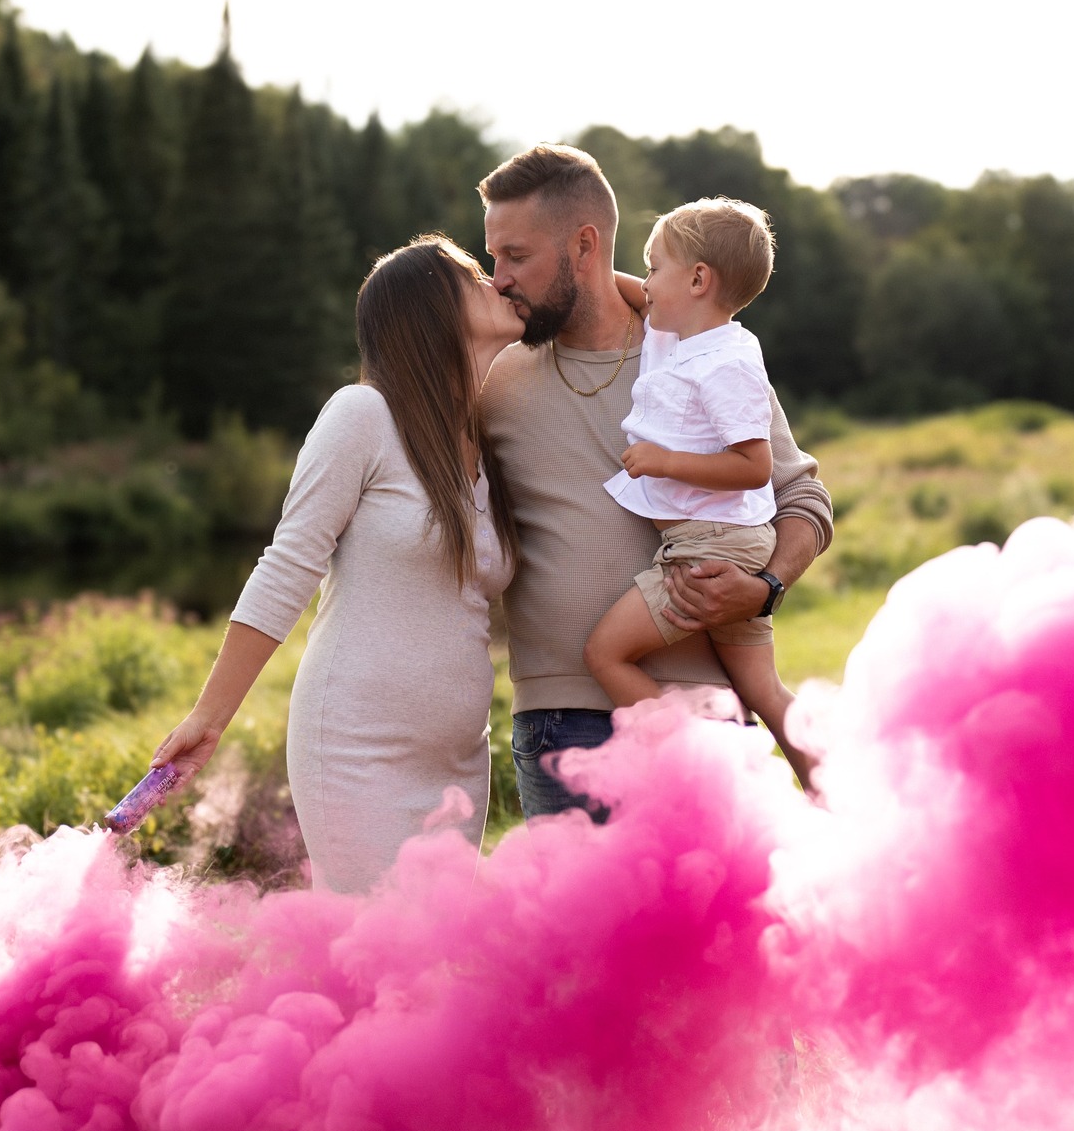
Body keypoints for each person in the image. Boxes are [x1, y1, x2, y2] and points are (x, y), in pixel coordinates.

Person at [151, 236, 523, 892]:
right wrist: (208, 718)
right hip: (359, 752)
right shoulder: (362, 416)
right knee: (373, 963)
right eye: (471, 274)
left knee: (440, 970)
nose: (496, 280)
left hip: (459, 761)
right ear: (430, 308)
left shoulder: (483, 442)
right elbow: (287, 564)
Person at [479, 145, 834, 819]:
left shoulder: (700, 349)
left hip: (705, 709)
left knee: (722, 927)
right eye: (493, 256)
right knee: (573, 927)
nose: (498, 279)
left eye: (516, 256)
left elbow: (799, 496)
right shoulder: (494, 370)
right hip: (561, 722)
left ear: (584, 244)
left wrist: (764, 588)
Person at [583, 197, 813, 786]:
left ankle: (692, 768)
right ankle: (830, 788)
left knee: (605, 655)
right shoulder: (676, 331)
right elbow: (627, 290)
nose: (645, 281)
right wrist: (575, 265)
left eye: (654, 266)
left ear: (698, 279)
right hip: (719, 539)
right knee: (763, 688)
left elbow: (754, 465)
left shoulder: (729, 361)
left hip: (712, 545)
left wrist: (666, 461)